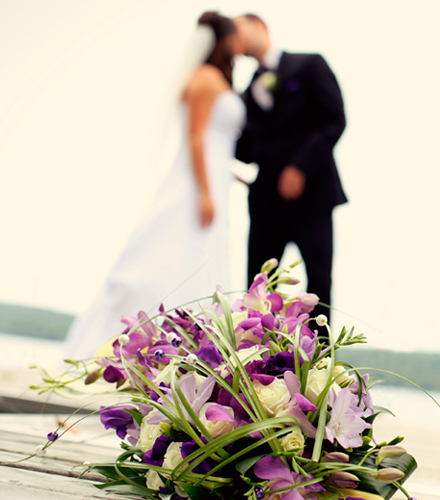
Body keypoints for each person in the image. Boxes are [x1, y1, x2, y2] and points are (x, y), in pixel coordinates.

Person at [62, 12, 245, 360]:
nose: (239, 42)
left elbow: (215, 142)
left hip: (214, 181)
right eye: (235, 35)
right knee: (168, 258)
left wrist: (227, 175)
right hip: (196, 187)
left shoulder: (213, 78)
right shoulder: (206, 79)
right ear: (223, 40)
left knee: (197, 258)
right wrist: (206, 192)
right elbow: (195, 138)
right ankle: (126, 350)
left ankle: (183, 353)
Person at [233, 13, 347, 338]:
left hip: (313, 197)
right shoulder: (246, 93)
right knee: (257, 285)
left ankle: (319, 363)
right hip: (266, 201)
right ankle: (255, 358)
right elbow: (245, 149)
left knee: (320, 282)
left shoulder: (309, 65)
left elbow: (334, 120)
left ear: (258, 26)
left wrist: (299, 166)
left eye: (238, 30)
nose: (234, 38)